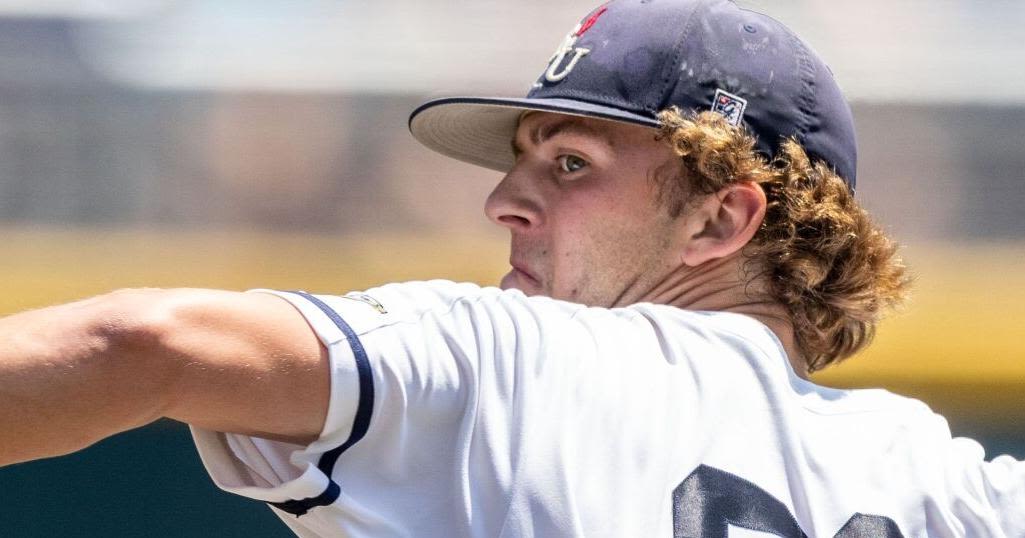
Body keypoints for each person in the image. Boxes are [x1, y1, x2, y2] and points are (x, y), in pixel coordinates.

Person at [1, 0, 1022, 536]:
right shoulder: (936, 477)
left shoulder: (514, 362)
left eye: (569, 163)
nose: (503, 201)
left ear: (719, 219)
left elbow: (142, 343)